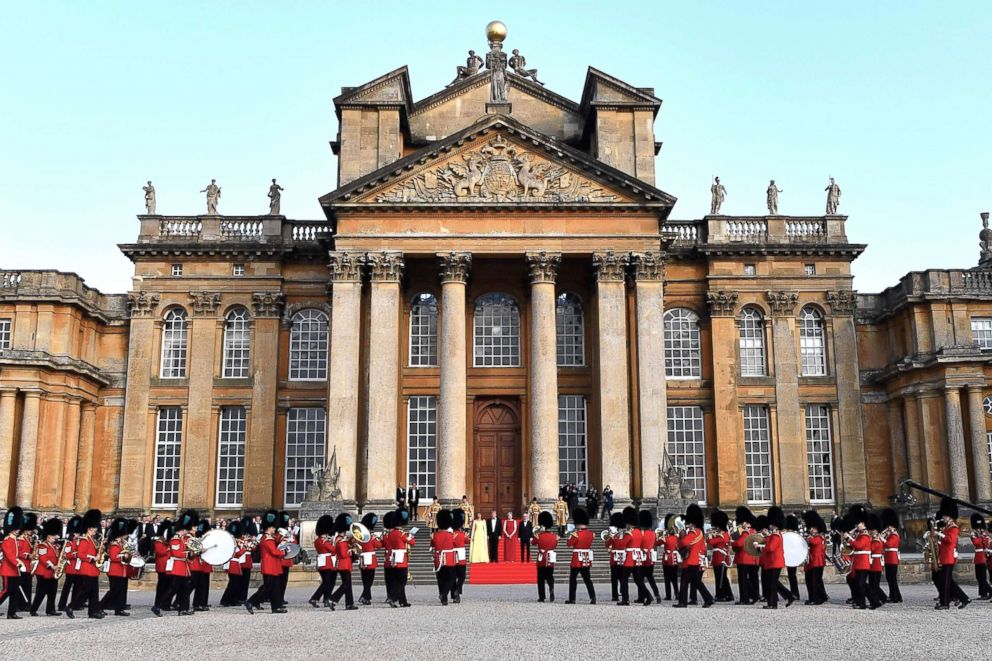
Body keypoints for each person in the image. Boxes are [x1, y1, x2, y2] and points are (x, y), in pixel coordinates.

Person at [245, 510, 288, 614]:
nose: (274, 529)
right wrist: (283, 552)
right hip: (270, 565)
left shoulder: (270, 537)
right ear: (269, 528)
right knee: (267, 587)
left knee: (276, 587)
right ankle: (251, 601)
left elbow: (277, 540)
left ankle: (276, 607)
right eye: (273, 528)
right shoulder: (267, 539)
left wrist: (282, 539)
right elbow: (274, 551)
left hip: (273, 565)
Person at [67, 509, 103, 619]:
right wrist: (93, 558)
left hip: (92, 569)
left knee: (94, 592)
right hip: (86, 569)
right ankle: (70, 606)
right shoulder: (84, 540)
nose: (95, 530)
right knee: (84, 591)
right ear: (89, 528)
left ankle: (93, 611)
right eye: (94, 529)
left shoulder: (91, 540)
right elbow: (81, 555)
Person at [675, 504, 713, 608]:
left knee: (686, 581)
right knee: (694, 582)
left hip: (691, 560)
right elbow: (702, 548)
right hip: (694, 560)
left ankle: (683, 602)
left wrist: (680, 535)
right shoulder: (699, 532)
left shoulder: (693, 532)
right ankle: (707, 599)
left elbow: (683, 543)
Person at [934, 497, 969, 610]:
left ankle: (946, 603)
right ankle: (964, 598)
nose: (943, 518)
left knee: (946, 582)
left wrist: (940, 535)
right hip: (944, 556)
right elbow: (944, 542)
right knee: (947, 581)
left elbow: (950, 540)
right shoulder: (947, 527)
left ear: (949, 516)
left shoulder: (953, 528)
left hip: (949, 557)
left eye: (945, 516)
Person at [755, 509, 791, 610]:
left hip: (775, 562)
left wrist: (760, 547)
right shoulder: (774, 535)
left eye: (771, 524)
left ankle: (773, 604)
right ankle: (788, 597)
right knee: (772, 583)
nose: (770, 526)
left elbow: (770, 548)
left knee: (772, 584)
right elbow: (769, 542)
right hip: (773, 562)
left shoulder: (776, 535)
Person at [847, 505, 881, 610]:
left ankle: (862, 603)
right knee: (861, 584)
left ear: (863, 524)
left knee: (861, 584)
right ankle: (874, 601)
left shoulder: (865, 535)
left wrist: (849, 539)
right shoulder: (860, 534)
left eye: (859, 524)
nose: (857, 526)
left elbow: (859, 546)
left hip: (863, 562)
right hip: (858, 562)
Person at [29, 517, 62, 617]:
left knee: (52, 592)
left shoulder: (55, 546)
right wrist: (52, 566)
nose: (54, 538)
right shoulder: (42, 546)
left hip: (52, 573)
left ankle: (50, 610)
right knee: (40, 593)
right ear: (48, 537)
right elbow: (43, 558)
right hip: (43, 572)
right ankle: (33, 609)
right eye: (53, 537)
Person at [383, 509, 415, 607]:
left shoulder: (390, 534)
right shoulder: (401, 534)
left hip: (393, 559)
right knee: (402, 580)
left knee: (397, 580)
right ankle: (392, 597)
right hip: (401, 560)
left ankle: (403, 601)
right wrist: (411, 535)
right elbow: (412, 542)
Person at [565, 507, 596, 604]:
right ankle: (593, 597)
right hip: (586, 558)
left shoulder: (576, 534)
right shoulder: (591, 534)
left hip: (577, 559)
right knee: (587, 579)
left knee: (573, 579)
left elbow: (569, 544)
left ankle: (572, 598)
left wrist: (570, 535)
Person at [329, 513, 358, 610]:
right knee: (345, 584)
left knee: (348, 585)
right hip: (343, 565)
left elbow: (347, 543)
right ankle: (333, 599)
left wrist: (352, 541)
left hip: (344, 565)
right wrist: (351, 551)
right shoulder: (340, 541)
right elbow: (343, 554)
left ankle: (349, 603)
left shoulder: (341, 540)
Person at [1, 507, 26, 619]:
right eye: (16, 529)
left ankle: (11, 613)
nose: (18, 530)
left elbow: (17, 554)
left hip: (15, 570)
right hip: (8, 569)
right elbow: (10, 556)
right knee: (6, 591)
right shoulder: (7, 540)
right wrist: (18, 563)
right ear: (12, 529)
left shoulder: (15, 540)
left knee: (15, 591)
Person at [309, 514, 337, 608]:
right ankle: (315, 598)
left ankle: (326, 599)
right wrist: (334, 542)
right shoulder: (324, 541)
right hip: (327, 563)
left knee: (326, 582)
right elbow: (333, 550)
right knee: (326, 583)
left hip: (322, 562)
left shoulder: (318, 541)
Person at [731, 506, 758, 605]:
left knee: (742, 580)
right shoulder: (753, 531)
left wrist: (732, 542)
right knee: (747, 579)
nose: (742, 524)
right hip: (751, 558)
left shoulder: (746, 533)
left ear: (746, 523)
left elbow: (739, 544)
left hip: (743, 558)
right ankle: (753, 595)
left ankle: (745, 599)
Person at [802, 510, 829, 605]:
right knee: (811, 581)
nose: (811, 530)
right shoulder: (815, 537)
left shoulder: (819, 537)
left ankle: (816, 599)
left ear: (817, 529)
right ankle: (817, 597)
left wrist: (807, 537)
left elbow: (813, 542)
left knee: (814, 582)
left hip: (817, 562)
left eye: (813, 528)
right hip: (812, 562)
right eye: (811, 528)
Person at [707, 508, 734, 602]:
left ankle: (721, 595)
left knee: (720, 578)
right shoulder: (721, 533)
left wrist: (710, 537)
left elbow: (712, 542)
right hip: (718, 557)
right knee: (722, 578)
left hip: (720, 558)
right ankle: (728, 595)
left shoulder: (723, 535)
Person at [431, 509, 457, 605]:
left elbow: (433, 544)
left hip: (438, 559)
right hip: (449, 558)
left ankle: (443, 598)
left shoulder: (435, 535)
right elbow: (456, 544)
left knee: (440, 579)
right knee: (450, 578)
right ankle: (444, 594)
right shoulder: (451, 535)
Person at [220, 519, 247, 607]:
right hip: (232, 564)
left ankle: (232, 599)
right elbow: (236, 554)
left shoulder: (235, 540)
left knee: (235, 584)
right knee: (233, 583)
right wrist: (244, 548)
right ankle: (225, 600)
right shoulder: (231, 541)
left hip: (236, 564)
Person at [357, 513, 382, 606]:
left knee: (365, 580)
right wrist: (378, 538)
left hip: (363, 559)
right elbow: (379, 545)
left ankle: (366, 597)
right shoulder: (371, 537)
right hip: (370, 559)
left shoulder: (359, 536)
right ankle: (365, 597)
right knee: (369, 580)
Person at [639, 510, 663, 604]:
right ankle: (657, 595)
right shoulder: (653, 534)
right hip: (651, 558)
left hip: (643, 558)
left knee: (640, 579)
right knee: (651, 579)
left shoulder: (642, 534)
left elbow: (639, 545)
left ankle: (642, 597)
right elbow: (655, 543)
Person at [604, 511, 628, 604]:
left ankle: (622, 593)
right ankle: (615, 595)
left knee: (621, 578)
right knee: (614, 578)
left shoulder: (625, 534)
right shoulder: (616, 534)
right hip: (615, 558)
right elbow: (607, 544)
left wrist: (613, 538)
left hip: (622, 557)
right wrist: (611, 537)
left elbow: (623, 544)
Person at [534, 511, 558, 602]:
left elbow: (533, 543)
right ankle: (551, 588)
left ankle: (542, 597)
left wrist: (537, 533)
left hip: (541, 559)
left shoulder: (539, 535)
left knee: (540, 578)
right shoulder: (554, 536)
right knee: (550, 576)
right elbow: (555, 545)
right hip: (550, 559)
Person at [879, 508, 902, 603]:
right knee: (890, 579)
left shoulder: (895, 535)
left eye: (889, 526)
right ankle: (896, 596)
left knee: (892, 579)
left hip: (892, 559)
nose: (888, 528)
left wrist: (882, 538)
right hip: (888, 558)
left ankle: (895, 597)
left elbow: (888, 544)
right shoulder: (890, 535)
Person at [191, 519, 213, 612]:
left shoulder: (205, 537)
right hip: (200, 564)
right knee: (201, 585)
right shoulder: (198, 538)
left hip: (205, 563)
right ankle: (199, 603)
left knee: (203, 585)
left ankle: (202, 602)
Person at [969, 513, 991, 599]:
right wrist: (981, 538)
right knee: (979, 577)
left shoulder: (982, 533)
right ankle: (983, 594)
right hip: (979, 556)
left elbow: (979, 542)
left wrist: (980, 538)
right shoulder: (976, 533)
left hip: (982, 556)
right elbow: (976, 543)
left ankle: (989, 592)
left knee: (981, 577)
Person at [660, 514, 680, 601]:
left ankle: (668, 595)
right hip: (674, 559)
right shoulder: (677, 538)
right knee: (674, 579)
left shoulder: (666, 538)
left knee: (667, 579)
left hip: (667, 559)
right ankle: (677, 594)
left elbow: (657, 543)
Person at [783, 514, 802, 601]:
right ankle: (794, 593)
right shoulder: (793, 534)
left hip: (792, 557)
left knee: (792, 576)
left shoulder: (793, 535)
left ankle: (795, 593)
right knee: (791, 576)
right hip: (791, 557)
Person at [451, 510, 468, 602]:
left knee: (453, 577)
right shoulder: (462, 534)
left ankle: (454, 595)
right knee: (462, 576)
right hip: (461, 556)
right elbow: (467, 541)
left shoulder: (450, 534)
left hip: (452, 556)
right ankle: (458, 590)